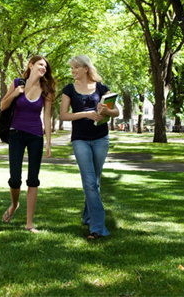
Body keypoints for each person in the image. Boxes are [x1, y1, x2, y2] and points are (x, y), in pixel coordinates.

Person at [60, 54, 119, 241]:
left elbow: (116, 111)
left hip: (101, 138)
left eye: (75, 67)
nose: (73, 71)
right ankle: (98, 227)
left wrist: (105, 111)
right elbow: (63, 115)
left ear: (86, 68)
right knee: (89, 182)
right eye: (71, 68)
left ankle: (87, 217)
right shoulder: (69, 89)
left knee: (95, 182)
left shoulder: (102, 88)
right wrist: (86, 114)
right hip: (80, 140)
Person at [0, 55, 55, 233]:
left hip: (35, 136)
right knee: (15, 178)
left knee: (33, 179)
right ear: (30, 65)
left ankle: (29, 223)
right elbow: (2, 105)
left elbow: (46, 116)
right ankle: (15, 204)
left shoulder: (46, 89)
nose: (43, 68)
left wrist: (48, 142)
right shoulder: (17, 83)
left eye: (45, 66)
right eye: (40, 64)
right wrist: (16, 93)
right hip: (16, 133)